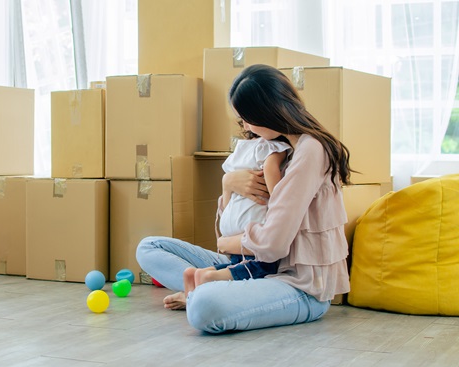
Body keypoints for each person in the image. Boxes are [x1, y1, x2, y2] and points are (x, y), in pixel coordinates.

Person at [136, 63, 353, 334]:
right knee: (149, 247)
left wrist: (225, 243)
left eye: (249, 118)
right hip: (247, 263)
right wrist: (228, 186)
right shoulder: (275, 148)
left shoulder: (311, 150)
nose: (247, 126)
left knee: (205, 308)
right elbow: (235, 221)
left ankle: (205, 291)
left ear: (270, 112)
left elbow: (272, 244)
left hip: (299, 286)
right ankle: (215, 285)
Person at [183, 130, 292, 297]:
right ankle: (210, 277)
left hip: (231, 223)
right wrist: (277, 198)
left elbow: (228, 182)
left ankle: (197, 277)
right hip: (251, 224)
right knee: (262, 267)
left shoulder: (242, 147)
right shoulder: (273, 146)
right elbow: (271, 167)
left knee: (238, 264)